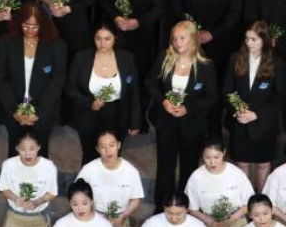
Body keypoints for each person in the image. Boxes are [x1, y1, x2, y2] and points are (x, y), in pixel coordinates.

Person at [148, 20, 219, 205]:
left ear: (194, 39)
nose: (178, 42)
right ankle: (162, 205)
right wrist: (163, 101)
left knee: (189, 166)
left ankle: (185, 205)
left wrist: (189, 108)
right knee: (165, 166)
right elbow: (150, 83)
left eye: (182, 38)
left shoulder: (206, 65)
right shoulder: (164, 57)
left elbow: (212, 98)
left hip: (192, 124)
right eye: (175, 38)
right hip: (165, 121)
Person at [0, 1, 67, 154]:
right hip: (14, 114)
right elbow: (0, 78)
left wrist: (38, 112)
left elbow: (57, 81)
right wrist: (15, 110)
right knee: (15, 154)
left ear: (43, 25)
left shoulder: (57, 45)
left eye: (35, 27)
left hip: (43, 114)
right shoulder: (5, 42)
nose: (30, 30)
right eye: (26, 25)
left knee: (41, 156)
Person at [222, 23, 285, 192]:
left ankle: (260, 200)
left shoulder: (276, 63)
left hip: (264, 124)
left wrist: (256, 114)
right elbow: (228, 90)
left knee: (263, 165)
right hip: (240, 120)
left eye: (254, 39)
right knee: (241, 163)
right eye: (247, 38)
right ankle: (245, 200)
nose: (249, 43)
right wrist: (239, 109)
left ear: (264, 40)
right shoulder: (235, 58)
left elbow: (279, 97)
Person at [65, 25, 142, 164]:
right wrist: (89, 103)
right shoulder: (81, 58)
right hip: (88, 114)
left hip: (118, 114)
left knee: (113, 155)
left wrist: (135, 121)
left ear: (115, 39)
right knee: (89, 154)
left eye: (107, 39)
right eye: (98, 38)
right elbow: (70, 88)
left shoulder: (127, 58)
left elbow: (134, 91)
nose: (102, 43)